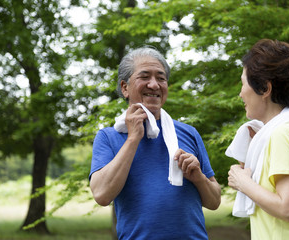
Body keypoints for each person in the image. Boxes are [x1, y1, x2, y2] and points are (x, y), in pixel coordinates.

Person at [89, 46, 221, 240]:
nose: (154, 85)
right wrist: (133, 138)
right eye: (145, 77)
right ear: (125, 87)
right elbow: (101, 195)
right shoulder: (109, 137)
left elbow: (214, 201)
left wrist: (198, 177)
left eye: (161, 78)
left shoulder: (188, 133)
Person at [226, 39, 289, 239]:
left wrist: (243, 182)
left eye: (243, 83)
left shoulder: (282, 135)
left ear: (264, 88)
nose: (240, 93)